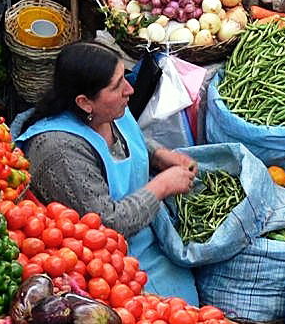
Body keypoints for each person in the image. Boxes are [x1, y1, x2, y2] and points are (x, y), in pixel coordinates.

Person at [16, 42, 200, 302]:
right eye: (116, 86)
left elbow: (129, 140)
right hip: (106, 264)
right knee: (176, 317)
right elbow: (105, 223)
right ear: (84, 102)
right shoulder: (60, 151)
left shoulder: (111, 109)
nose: (130, 89)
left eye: (124, 77)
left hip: (145, 236)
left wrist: (160, 156)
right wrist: (163, 186)